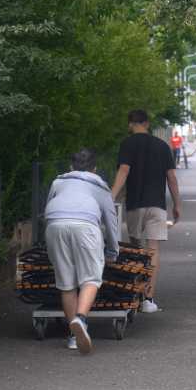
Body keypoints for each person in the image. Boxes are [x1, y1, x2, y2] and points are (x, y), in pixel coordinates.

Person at [44, 148, 119, 354]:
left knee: (67, 283)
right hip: (85, 226)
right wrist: (112, 251)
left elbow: (48, 207)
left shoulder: (58, 182)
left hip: (55, 225)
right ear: (94, 169)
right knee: (91, 279)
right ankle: (81, 319)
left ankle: (72, 337)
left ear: (71, 167)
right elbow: (111, 221)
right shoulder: (100, 186)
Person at [111, 109, 180, 314]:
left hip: (135, 204)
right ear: (148, 124)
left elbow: (124, 172)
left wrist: (111, 197)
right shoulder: (162, 146)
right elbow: (172, 178)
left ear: (130, 124)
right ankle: (148, 299)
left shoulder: (127, 144)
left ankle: (135, 290)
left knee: (136, 249)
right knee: (153, 250)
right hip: (157, 206)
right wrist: (177, 204)